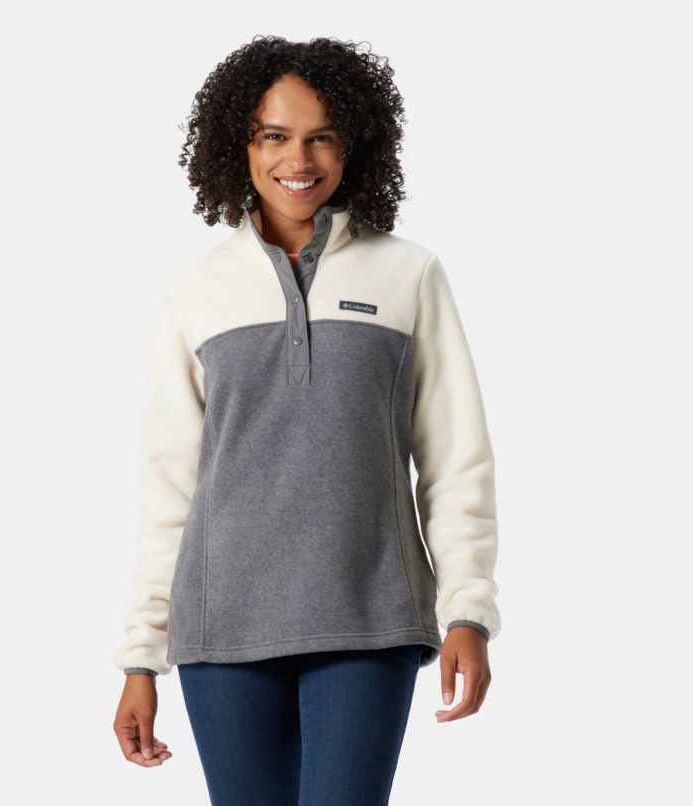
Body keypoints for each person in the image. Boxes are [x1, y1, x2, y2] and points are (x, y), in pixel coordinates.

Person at [113, 35, 501, 805]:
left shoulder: (407, 274)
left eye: (323, 136)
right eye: (275, 136)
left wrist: (469, 611)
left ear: (354, 145)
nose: (299, 158)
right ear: (241, 146)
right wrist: (140, 657)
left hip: (370, 619)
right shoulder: (198, 291)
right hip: (222, 627)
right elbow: (169, 488)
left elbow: (456, 460)